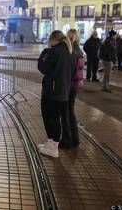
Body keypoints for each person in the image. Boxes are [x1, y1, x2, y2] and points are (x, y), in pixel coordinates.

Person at [37, 30, 73, 158]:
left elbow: (43, 68)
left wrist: (42, 57)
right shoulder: (67, 51)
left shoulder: (54, 51)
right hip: (62, 91)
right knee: (54, 118)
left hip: (52, 92)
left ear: (53, 39)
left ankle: (53, 147)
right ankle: (51, 143)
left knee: (50, 118)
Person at [61, 29, 84, 148]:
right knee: (70, 111)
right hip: (75, 86)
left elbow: (69, 71)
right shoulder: (79, 50)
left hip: (69, 85)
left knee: (66, 113)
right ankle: (75, 139)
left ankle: (67, 140)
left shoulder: (71, 51)